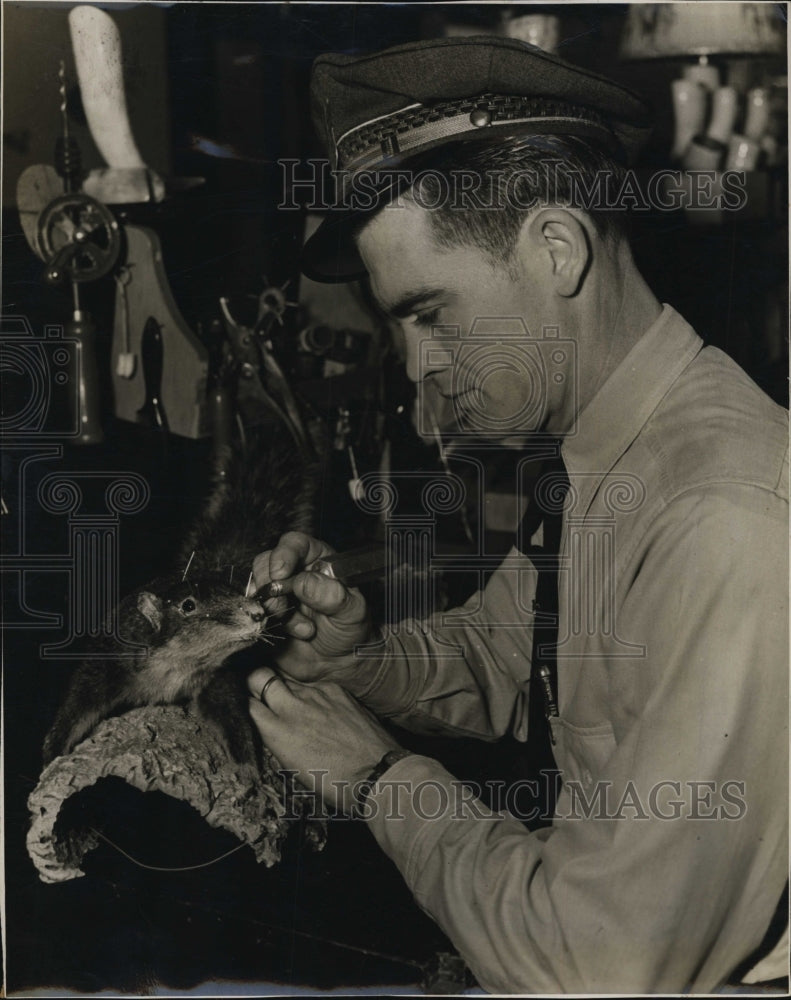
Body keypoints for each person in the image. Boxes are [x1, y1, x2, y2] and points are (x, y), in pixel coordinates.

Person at [246, 37, 789, 993]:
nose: (415, 367)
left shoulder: (724, 518)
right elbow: (508, 656)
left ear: (555, 248)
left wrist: (376, 780)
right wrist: (354, 661)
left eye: (429, 313)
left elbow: (603, 966)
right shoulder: (608, 447)